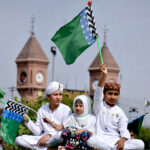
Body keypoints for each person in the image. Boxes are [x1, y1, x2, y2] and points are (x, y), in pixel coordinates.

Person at [87, 64, 145, 150]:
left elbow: (124, 130)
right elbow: (97, 94)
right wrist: (104, 76)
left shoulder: (120, 112)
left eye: (115, 94)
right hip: (100, 139)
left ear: (118, 95)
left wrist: (123, 139)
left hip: (115, 141)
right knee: (90, 141)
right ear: (104, 94)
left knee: (140, 144)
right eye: (110, 93)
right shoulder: (98, 107)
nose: (113, 97)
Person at [15, 81, 72, 150]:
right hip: (43, 139)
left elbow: (67, 130)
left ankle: (43, 148)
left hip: (58, 138)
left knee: (60, 136)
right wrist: (28, 120)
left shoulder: (66, 109)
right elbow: (38, 132)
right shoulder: (42, 109)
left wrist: (50, 135)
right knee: (18, 139)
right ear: (48, 96)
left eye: (60, 94)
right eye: (55, 95)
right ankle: (48, 148)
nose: (58, 97)